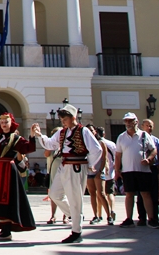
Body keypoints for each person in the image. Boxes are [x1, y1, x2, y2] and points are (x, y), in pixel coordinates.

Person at [33, 102, 102, 243]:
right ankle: (74, 215)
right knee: (54, 194)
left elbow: (97, 149)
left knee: (75, 198)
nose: (63, 121)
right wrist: (40, 135)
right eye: (62, 119)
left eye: (65, 118)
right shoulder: (62, 132)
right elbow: (51, 144)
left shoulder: (84, 131)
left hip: (77, 166)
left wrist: (89, 164)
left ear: (73, 117)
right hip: (64, 165)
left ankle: (76, 231)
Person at [0, 113, 38, 241]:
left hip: (9, 170)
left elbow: (29, 148)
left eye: (6, 122)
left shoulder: (16, 138)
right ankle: (3, 228)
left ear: (11, 123)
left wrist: (32, 135)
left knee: (7, 199)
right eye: (2, 122)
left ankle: (6, 230)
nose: (4, 124)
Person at [115, 112, 159, 230]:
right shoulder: (121, 137)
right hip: (128, 170)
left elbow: (154, 150)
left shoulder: (144, 135)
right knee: (129, 194)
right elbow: (118, 155)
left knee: (146, 194)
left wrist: (149, 159)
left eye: (130, 120)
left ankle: (151, 219)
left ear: (136, 121)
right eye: (126, 121)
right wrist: (117, 170)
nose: (128, 123)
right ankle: (129, 219)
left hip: (143, 170)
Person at [136, 119, 159, 226]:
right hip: (141, 169)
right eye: (147, 125)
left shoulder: (156, 140)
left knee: (154, 194)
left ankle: (154, 217)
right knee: (141, 195)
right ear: (142, 126)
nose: (149, 128)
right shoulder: (138, 139)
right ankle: (142, 217)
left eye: (151, 126)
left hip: (153, 169)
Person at [84, 123, 107, 224]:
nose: (90, 132)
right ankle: (96, 215)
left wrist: (101, 170)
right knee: (92, 193)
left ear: (95, 132)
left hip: (99, 171)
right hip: (89, 171)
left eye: (91, 130)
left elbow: (104, 158)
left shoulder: (101, 143)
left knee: (101, 193)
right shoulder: (85, 144)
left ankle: (109, 215)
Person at [95, 126, 117, 225]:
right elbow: (117, 157)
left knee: (99, 194)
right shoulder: (111, 144)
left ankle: (99, 214)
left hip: (100, 171)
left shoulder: (97, 144)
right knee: (110, 193)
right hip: (111, 172)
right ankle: (112, 210)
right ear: (104, 133)